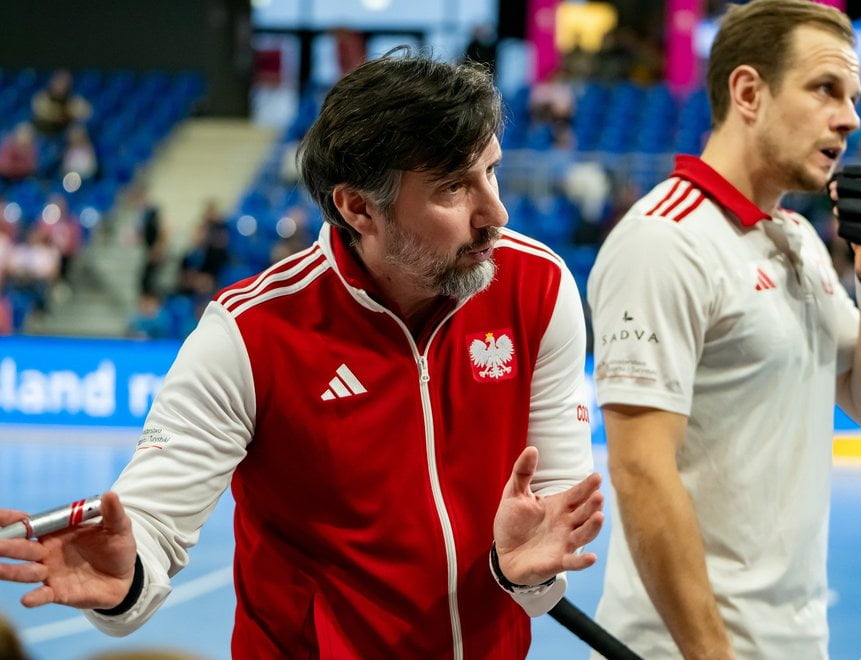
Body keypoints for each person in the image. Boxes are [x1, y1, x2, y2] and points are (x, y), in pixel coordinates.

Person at [0, 51, 604, 659]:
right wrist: (124, 576)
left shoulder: (539, 288)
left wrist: (526, 571)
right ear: (358, 207)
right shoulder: (248, 335)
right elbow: (150, 526)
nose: (495, 213)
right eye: (453, 187)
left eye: (491, 172)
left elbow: (550, 529)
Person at [588, 2, 861, 658]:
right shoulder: (666, 240)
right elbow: (639, 471)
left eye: (853, 95)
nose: (851, 116)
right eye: (825, 88)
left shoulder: (796, 240)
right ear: (748, 92)